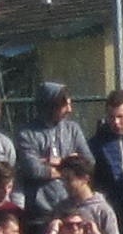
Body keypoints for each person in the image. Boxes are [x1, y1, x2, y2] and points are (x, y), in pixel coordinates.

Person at [17, 82, 94, 213]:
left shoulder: (72, 129)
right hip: (40, 210)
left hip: (73, 209)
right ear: (50, 106)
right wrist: (72, 166)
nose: (69, 110)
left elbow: (89, 162)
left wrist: (56, 162)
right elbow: (33, 170)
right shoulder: (26, 134)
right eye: (64, 106)